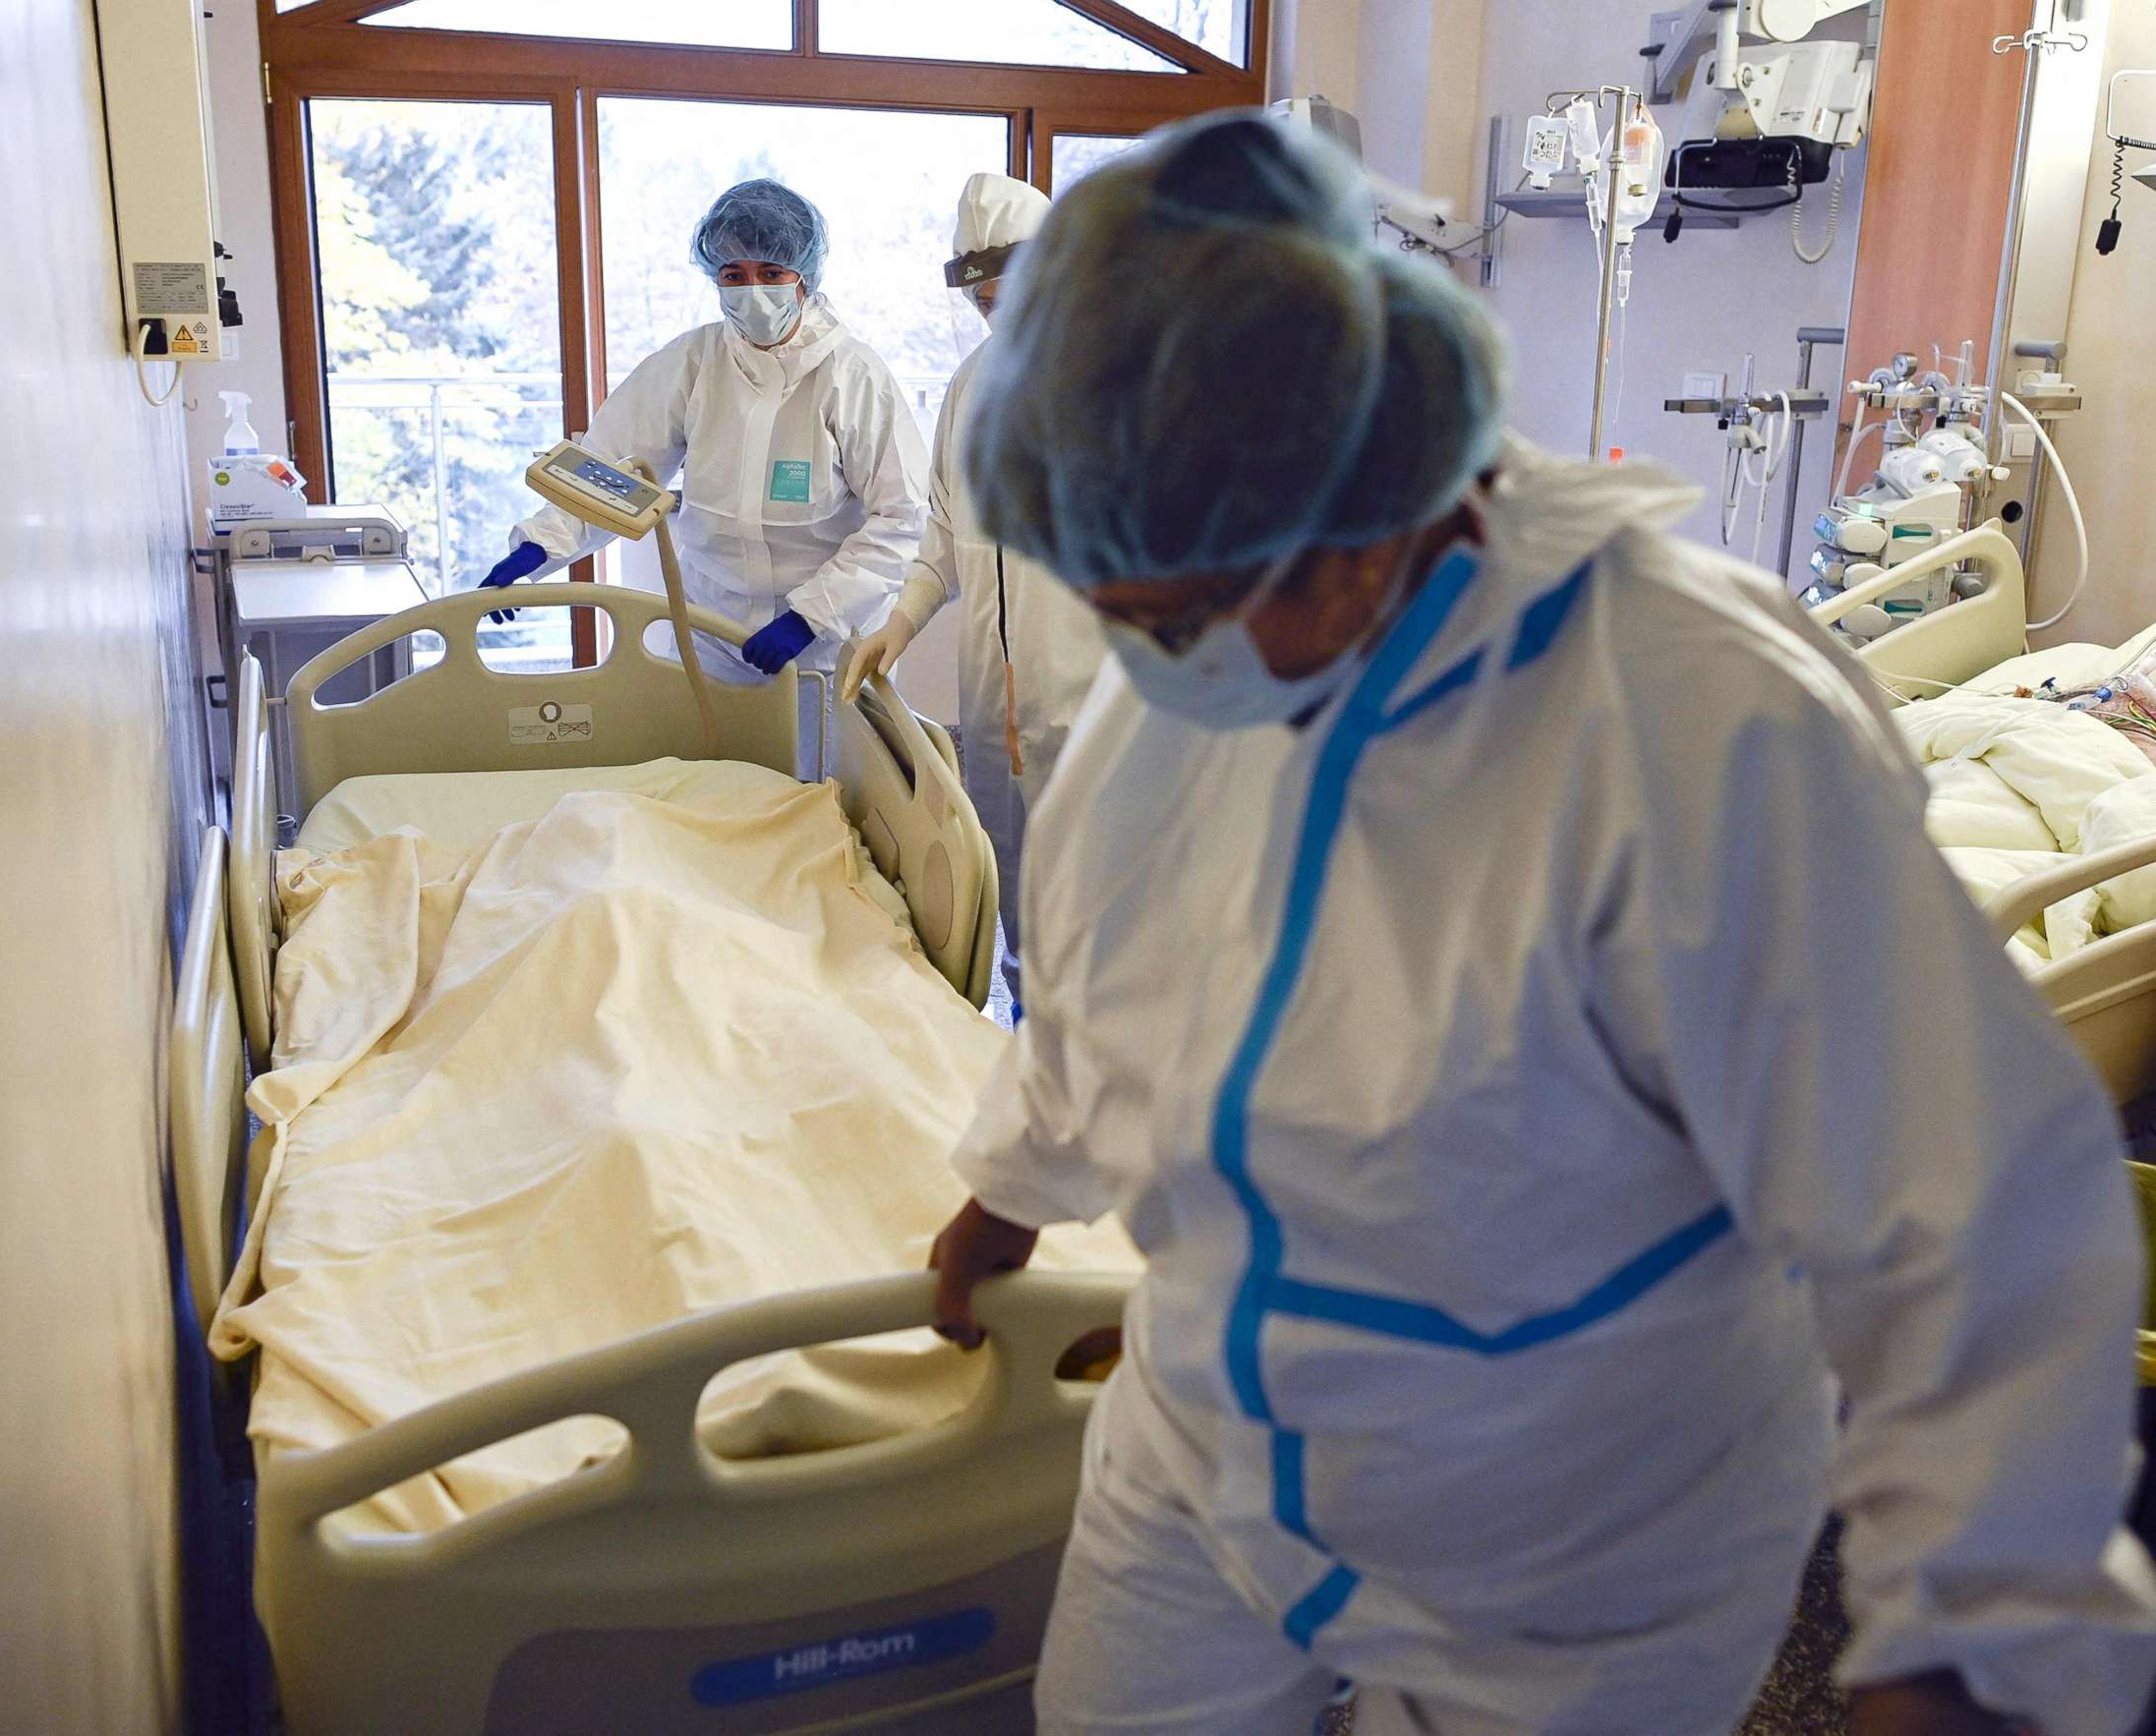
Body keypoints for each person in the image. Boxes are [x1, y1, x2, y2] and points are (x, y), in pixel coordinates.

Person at [925, 110, 2156, 1735]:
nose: (1152, 641)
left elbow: (1966, 1216)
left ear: (1382, 489)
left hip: (1570, 1546)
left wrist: (1962, 1646)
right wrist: (1008, 1200)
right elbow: (1105, 987)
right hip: (1210, 1455)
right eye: (1120, 599)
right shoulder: (1181, 694)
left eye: (1187, 595)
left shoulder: (1703, 722)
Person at [480, 179, 926, 714]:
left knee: (825, 785)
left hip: (828, 644)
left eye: (772, 273)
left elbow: (902, 517)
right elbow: (609, 469)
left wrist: (813, 614)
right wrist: (538, 547)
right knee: (718, 777)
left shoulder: (853, 377)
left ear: (803, 278)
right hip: (715, 629)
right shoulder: (693, 363)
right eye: (733, 275)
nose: (752, 291)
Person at [841, 172, 1109, 1010]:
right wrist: (900, 625)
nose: (1004, 316)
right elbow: (946, 542)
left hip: (1101, 700)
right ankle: (1032, 1033)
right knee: (1019, 885)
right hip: (996, 709)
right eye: (988, 304)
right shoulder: (970, 389)